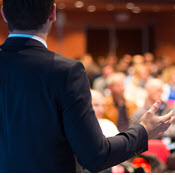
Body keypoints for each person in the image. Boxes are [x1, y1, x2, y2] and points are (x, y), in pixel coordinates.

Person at [0, 0, 174, 173]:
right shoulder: (65, 72)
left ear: (4, 14)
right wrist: (143, 131)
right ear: (53, 13)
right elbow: (96, 156)